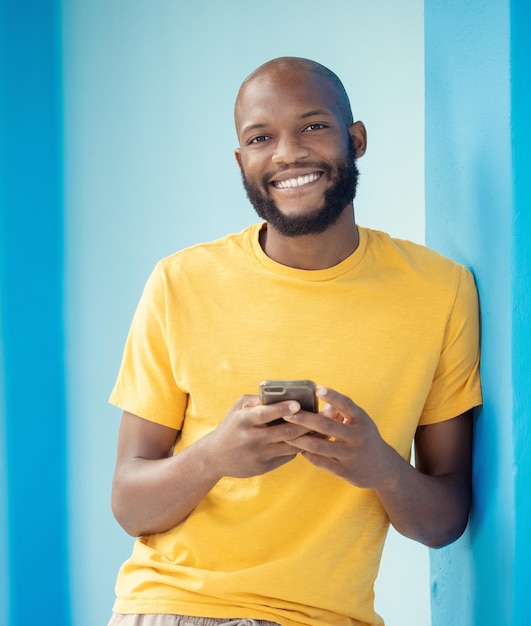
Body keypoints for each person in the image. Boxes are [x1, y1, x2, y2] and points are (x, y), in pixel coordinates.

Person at [108, 57, 482, 626]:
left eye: (313, 126)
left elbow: (445, 519)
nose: (287, 153)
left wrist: (381, 467)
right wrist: (214, 456)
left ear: (355, 140)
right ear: (242, 161)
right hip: (178, 608)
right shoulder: (179, 283)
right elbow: (129, 505)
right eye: (261, 137)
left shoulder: (441, 291)